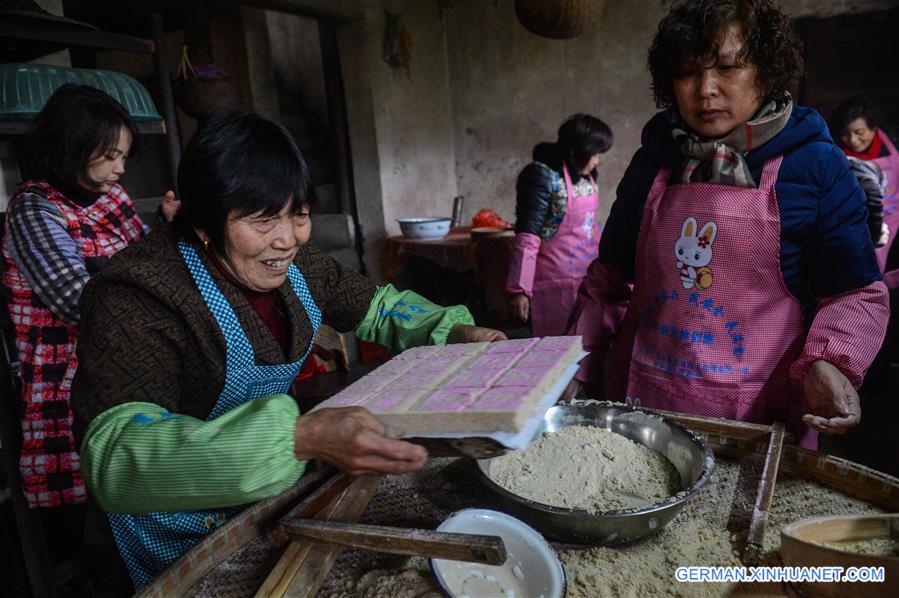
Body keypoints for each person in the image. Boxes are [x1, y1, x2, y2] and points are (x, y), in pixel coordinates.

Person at [70, 109, 506, 590]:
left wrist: (447, 331)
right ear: (203, 223)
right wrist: (295, 440)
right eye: (262, 220)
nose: (288, 238)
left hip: (267, 495)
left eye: (297, 214)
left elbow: (376, 309)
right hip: (172, 520)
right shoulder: (137, 293)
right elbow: (115, 457)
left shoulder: (298, 265)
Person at [566, 0, 889, 449]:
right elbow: (609, 281)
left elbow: (854, 292)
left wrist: (832, 359)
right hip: (642, 414)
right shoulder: (655, 160)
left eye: (727, 68)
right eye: (687, 72)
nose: (705, 89)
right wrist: (575, 367)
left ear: (766, 72)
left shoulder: (814, 165)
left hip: (759, 420)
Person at [1, 84, 177, 528]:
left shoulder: (111, 199)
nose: (121, 169)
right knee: (98, 502)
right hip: (71, 376)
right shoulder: (34, 210)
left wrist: (167, 229)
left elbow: (139, 258)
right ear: (74, 146)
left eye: (124, 156)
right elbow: (78, 301)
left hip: (127, 359)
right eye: (111, 155)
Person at [506, 113, 613, 336]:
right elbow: (528, 236)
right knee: (557, 352)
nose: (596, 160)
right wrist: (520, 289)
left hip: (588, 279)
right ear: (575, 151)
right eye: (594, 154)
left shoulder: (588, 176)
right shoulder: (540, 176)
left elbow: (592, 226)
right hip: (553, 284)